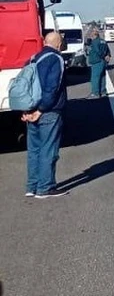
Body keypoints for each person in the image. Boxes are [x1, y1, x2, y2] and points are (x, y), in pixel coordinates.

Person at [21, 31, 69, 199]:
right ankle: (45, 187)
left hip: (30, 110)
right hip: (48, 111)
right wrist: (41, 110)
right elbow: (52, 88)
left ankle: (31, 186)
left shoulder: (33, 58)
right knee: (49, 149)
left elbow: (24, 86)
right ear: (57, 43)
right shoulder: (56, 58)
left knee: (34, 150)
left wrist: (28, 111)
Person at [85, 27, 111, 98]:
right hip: (103, 61)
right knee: (102, 76)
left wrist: (102, 56)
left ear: (94, 35)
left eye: (91, 35)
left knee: (95, 78)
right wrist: (107, 56)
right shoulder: (103, 41)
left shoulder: (94, 42)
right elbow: (108, 51)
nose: (90, 36)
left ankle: (95, 93)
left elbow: (97, 51)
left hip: (97, 61)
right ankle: (103, 92)